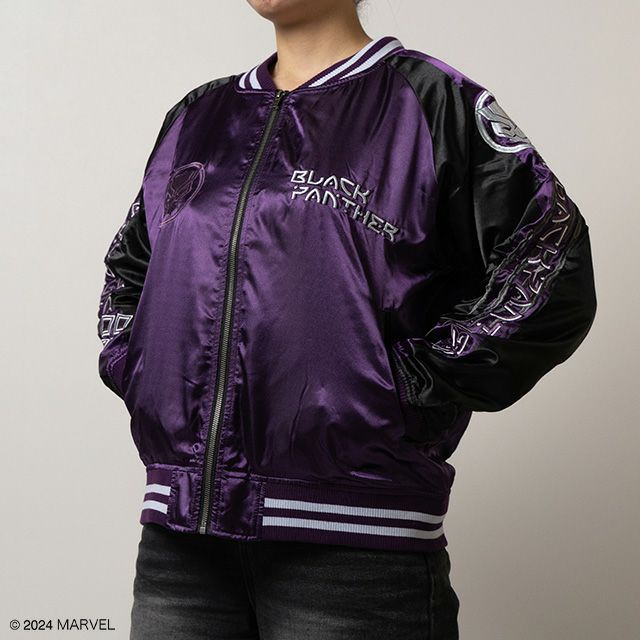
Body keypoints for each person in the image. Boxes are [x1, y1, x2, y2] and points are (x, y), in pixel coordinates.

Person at [95, 1, 597, 638]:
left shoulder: (430, 102)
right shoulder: (199, 116)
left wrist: (402, 389)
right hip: (180, 545)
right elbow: (132, 266)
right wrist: (139, 368)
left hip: (355, 551)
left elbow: (551, 259)